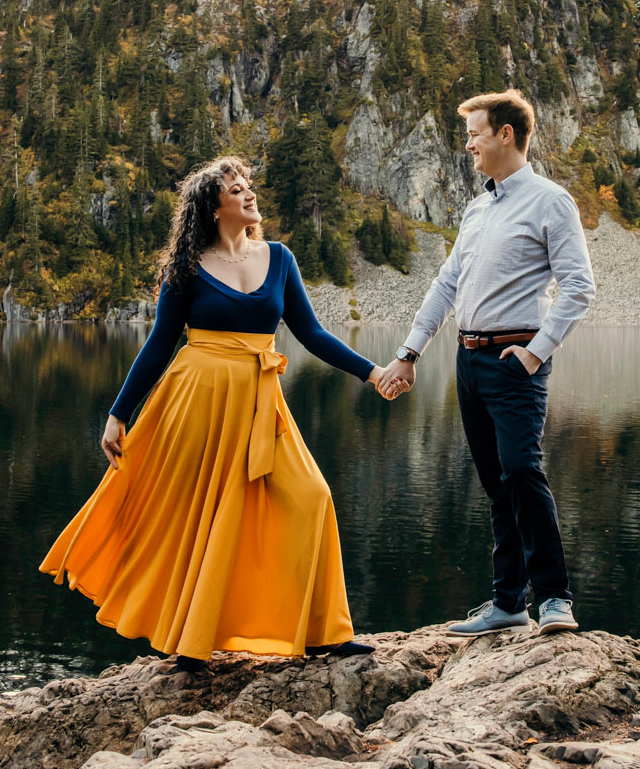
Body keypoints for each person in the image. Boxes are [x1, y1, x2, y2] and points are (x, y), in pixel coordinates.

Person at [39, 155, 404, 674]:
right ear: (213, 209)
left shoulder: (279, 258)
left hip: (259, 400)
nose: (250, 195)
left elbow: (313, 334)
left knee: (312, 496)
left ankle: (324, 633)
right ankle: (189, 640)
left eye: (249, 186)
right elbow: (161, 342)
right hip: (195, 402)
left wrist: (372, 372)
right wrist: (118, 413)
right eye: (237, 190)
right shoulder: (186, 267)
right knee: (198, 518)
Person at [377, 89, 595, 637]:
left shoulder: (551, 201)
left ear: (505, 134)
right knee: (497, 483)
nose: (467, 142)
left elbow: (578, 288)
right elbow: (446, 284)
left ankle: (554, 600)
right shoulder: (477, 209)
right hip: (468, 361)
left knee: (523, 469)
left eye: (475, 132)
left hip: (515, 359)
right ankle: (507, 603)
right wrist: (409, 354)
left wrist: (535, 352)